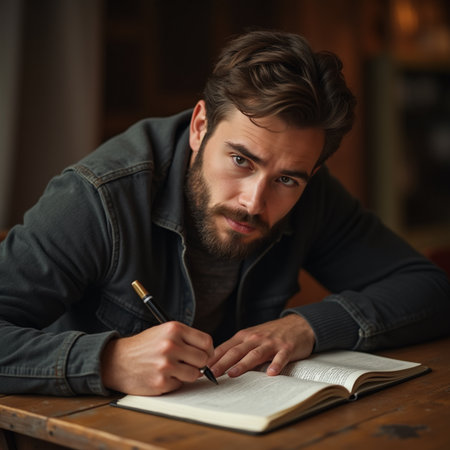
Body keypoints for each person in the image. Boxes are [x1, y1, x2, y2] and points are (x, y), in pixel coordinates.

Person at [0, 30, 449, 397]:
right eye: (241, 161)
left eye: (287, 179)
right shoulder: (99, 194)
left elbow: (430, 289)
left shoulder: (311, 193)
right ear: (200, 127)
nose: (254, 202)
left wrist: (306, 327)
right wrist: (107, 361)